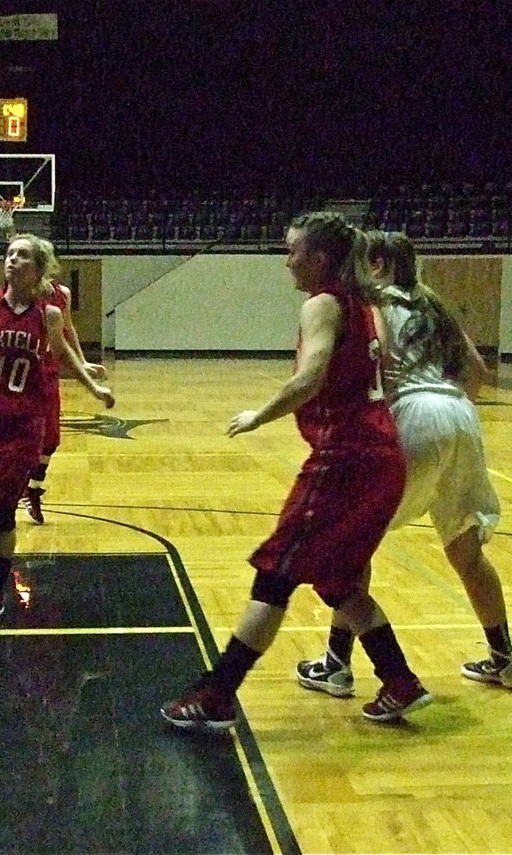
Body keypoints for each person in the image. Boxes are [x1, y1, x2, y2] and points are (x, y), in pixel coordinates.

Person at [160, 211, 432, 730]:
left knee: (276, 575)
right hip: (379, 459)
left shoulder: (323, 304)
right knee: (336, 580)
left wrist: (258, 415)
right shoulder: (364, 305)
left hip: (346, 461)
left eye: (293, 251)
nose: (287, 261)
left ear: (320, 259)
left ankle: (217, 694)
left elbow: (311, 376)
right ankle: (400, 681)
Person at [296, 230, 512, 694]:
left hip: (410, 413)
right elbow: (476, 371)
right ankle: (505, 659)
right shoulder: (432, 303)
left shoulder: (368, 302)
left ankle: (337, 664)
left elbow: (367, 369)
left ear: (377, 264)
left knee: (354, 543)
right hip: (459, 415)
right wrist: (451, 417)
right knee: (465, 548)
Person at [0, 233, 114, 628]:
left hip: (24, 424)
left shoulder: (48, 315)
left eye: (23, 256)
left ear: (38, 269)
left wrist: (93, 385)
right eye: (9, 254)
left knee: (1, 512)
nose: (13, 260)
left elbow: (62, 355)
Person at [0, 200, 107, 524]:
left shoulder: (62, 294)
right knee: (17, 439)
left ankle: (33, 489)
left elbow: (68, 330)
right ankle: (11, 488)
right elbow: (15, 255)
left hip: (46, 373)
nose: (18, 262)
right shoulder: (19, 288)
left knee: (51, 440)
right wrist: (8, 230)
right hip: (18, 375)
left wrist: (83, 363)